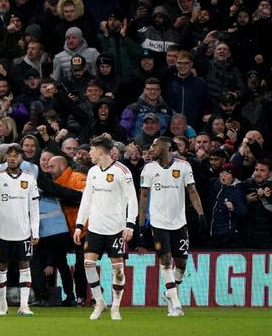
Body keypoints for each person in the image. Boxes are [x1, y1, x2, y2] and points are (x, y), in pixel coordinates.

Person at [138, 136, 207, 317]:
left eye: (155, 145)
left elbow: (192, 191)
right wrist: (141, 224)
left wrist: (201, 214)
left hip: (179, 222)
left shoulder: (183, 167)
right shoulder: (148, 169)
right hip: (158, 223)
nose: (151, 148)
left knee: (182, 264)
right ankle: (176, 304)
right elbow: (144, 197)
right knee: (166, 260)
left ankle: (169, 292)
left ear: (167, 146)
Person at [73, 135, 137, 320]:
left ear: (100, 151)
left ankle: (116, 306)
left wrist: (130, 224)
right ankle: (100, 302)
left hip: (116, 228)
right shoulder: (92, 171)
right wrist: (79, 225)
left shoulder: (122, 171)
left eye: (92, 150)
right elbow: (86, 200)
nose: (90, 154)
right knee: (88, 263)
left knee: (117, 269)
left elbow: (132, 199)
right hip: (95, 228)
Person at [0, 144, 39, 316]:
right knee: (1, 266)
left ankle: (24, 306)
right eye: (10, 155)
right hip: (2, 232)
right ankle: (2, 304)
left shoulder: (30, 178)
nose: (12, 158)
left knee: (24, 265)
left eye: (16, 156)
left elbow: (34, 207)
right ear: (6, 158)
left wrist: (36, 231)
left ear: (21, 159)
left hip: (24, 231)